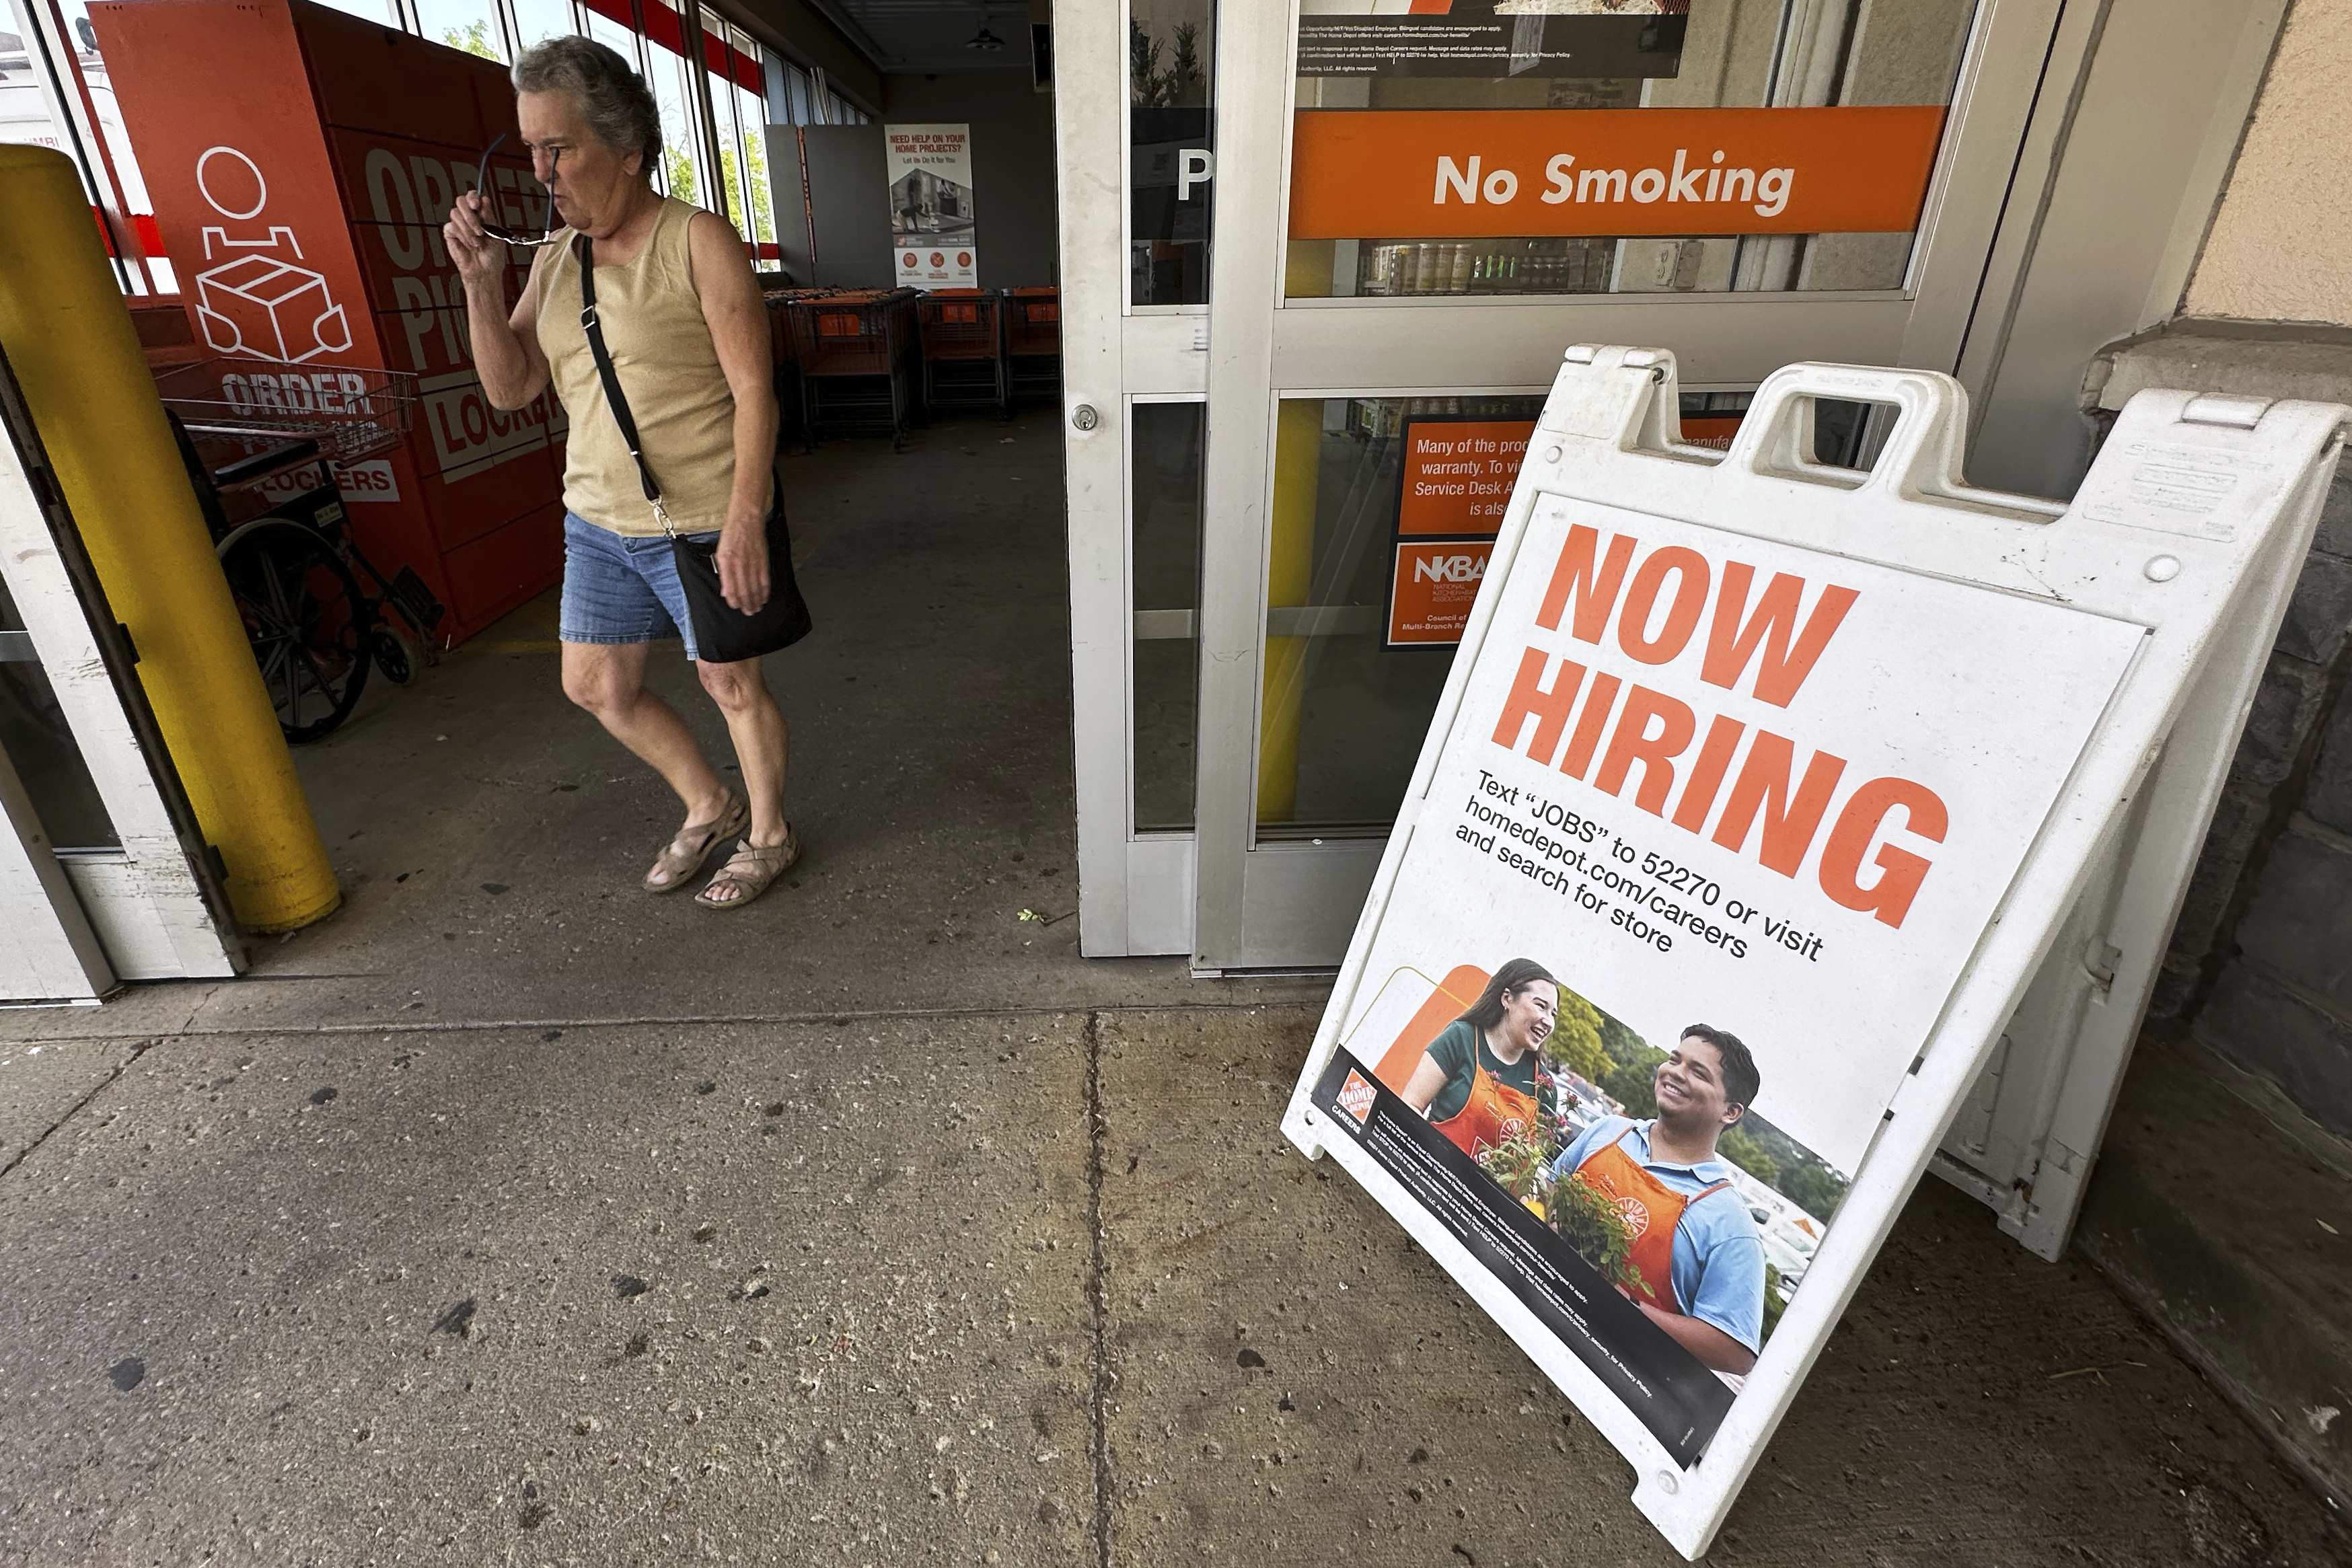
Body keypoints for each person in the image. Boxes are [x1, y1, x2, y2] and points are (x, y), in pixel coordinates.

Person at [445, 36, 798, 910]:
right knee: (596, 683)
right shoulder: (555, 259)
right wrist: (481, 286)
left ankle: (770, 833)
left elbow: (757, 393)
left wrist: (748, 519)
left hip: (704, 512)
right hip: (598, 520)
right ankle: (708, 802)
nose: (540, 173)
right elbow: (511, 386)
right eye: (530, 151)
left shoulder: (699, 243)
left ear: (627, 150)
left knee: (730, 682)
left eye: (557, 149)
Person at [1549, 1025, 1767, 1378]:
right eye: (1674, 1060)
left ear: (1730, 1112)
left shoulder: (1731, 1223)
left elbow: (1734, 1350)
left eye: (1698, 1073)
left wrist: (1622, 1303)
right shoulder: (1608, 1131)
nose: (1675, 1073)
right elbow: (1548, 1191)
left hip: (1606, 1374)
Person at [1399, 959, 1559, 1160]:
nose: (1548, 1021)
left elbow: (1531, 1164)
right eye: (1541, 1006)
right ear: (1507, 998)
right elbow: (1410, 1105)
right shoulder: (1461, 1038)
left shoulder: (1544, 1086)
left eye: (1553, 1014)